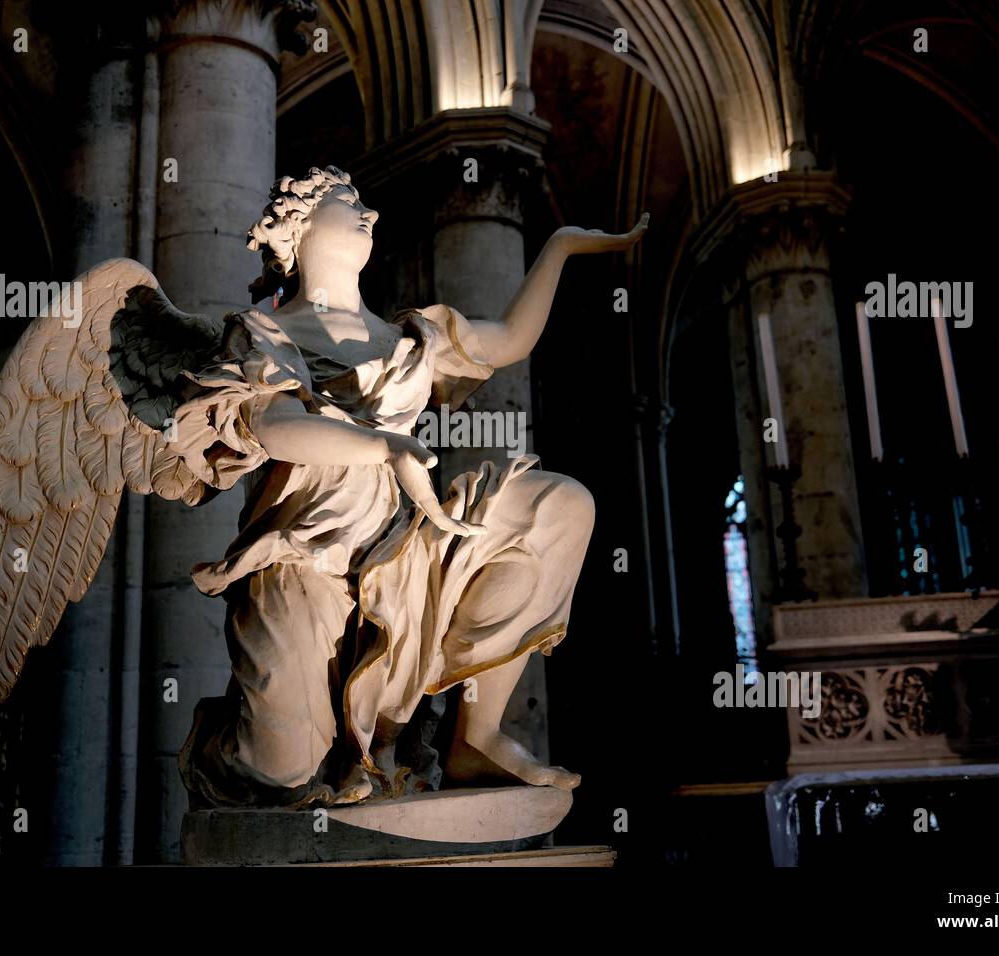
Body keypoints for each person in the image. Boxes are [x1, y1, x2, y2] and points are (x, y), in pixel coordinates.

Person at [178, 166, 648, 807]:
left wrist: (560, 244)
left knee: (560, 505)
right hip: (305, 565)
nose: (368, 214)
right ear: (300, 225)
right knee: (284, 774)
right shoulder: (263, 334)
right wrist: (383, 444)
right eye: (349, 202)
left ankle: (476, 736)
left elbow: (509, 339)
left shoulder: (411, 338)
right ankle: (235, 744)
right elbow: (274, 423)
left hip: (407, 557)